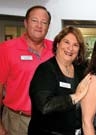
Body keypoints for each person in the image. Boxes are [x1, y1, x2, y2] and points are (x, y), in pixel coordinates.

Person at [28, 26, 91, 135]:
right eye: (66, 42)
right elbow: (44, 105)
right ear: (57, 44)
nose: (70, 48)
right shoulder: (45, 70)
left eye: (75, 45)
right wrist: (75, 97)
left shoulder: (80, 70)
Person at [0, 5, 53, 135]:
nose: (39, 25)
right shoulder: (7, 49)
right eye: (34, 20)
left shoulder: (55, 49)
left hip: (48, 120)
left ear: (48, 27)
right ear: (25, 22)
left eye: (44, 22)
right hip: (17, 121)